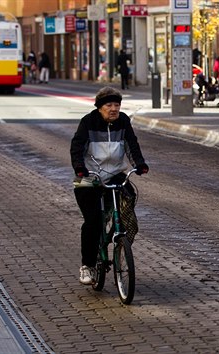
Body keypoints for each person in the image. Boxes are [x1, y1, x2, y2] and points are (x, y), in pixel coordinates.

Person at [70, 87, 149, 285]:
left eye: (117, 105)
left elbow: (132, 144)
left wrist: (139, 163)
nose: (113, 109)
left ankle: (120, 242)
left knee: (127, 212)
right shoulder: (88, 122)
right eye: (109, 105)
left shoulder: (123, 121)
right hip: (89, 176)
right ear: (99, 107)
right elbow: (77, 148)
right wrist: (79, 167)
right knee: (93, 221)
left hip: (114, 174)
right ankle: (87, 266)